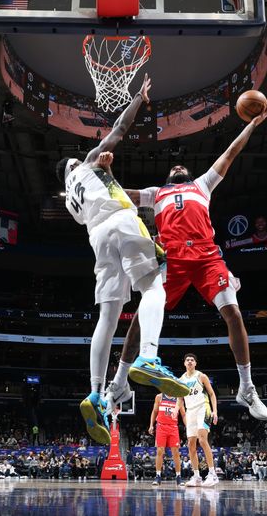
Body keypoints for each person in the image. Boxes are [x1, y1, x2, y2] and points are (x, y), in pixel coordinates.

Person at [56, 74, 188, 445]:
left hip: (97, 238)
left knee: (108, 317)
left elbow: (104, 185)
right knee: (154, 286)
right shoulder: (87, 164)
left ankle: (96, 393)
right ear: (73, 163)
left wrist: (109, 171)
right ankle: (147, 355)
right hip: (121, 220)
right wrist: (138, 99)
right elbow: (120, 127)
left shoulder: (70, 199)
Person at [113, 112, 267, 421]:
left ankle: (247, 388)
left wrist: (251, 125)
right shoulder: (156, 194)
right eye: (174, 166)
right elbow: (120, 196)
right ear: (170, 175)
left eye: (181, 165)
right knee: (141, 317)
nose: (178, 166)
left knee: (234, 313)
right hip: (172, 262)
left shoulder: (203, 185)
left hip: (207, 259)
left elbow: (230, 153)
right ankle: (119, 381)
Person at [179, 353, 219, 487]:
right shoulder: (181, 380)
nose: (190, 362)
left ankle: (212, 474)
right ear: (184, 363)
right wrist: (178, 411)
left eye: (192, 360)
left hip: (203, 407)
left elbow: (212, 394)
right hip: (190, 411)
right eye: (187, 360)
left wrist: (215, 411)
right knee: (191, 444)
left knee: (202, 439)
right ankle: (196, 477)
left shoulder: (201, 376)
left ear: (195, 363)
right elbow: (180, 399)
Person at [149, 391, 185, 487]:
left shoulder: (178, 398)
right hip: (161, 427)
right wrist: (151, 425)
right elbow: (154, 411)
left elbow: (183, 415)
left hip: (173, 427)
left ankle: (178, 477)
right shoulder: (159, 397)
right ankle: (158, 476)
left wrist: (188, 427)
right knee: (160, 451)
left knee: (176, 452)